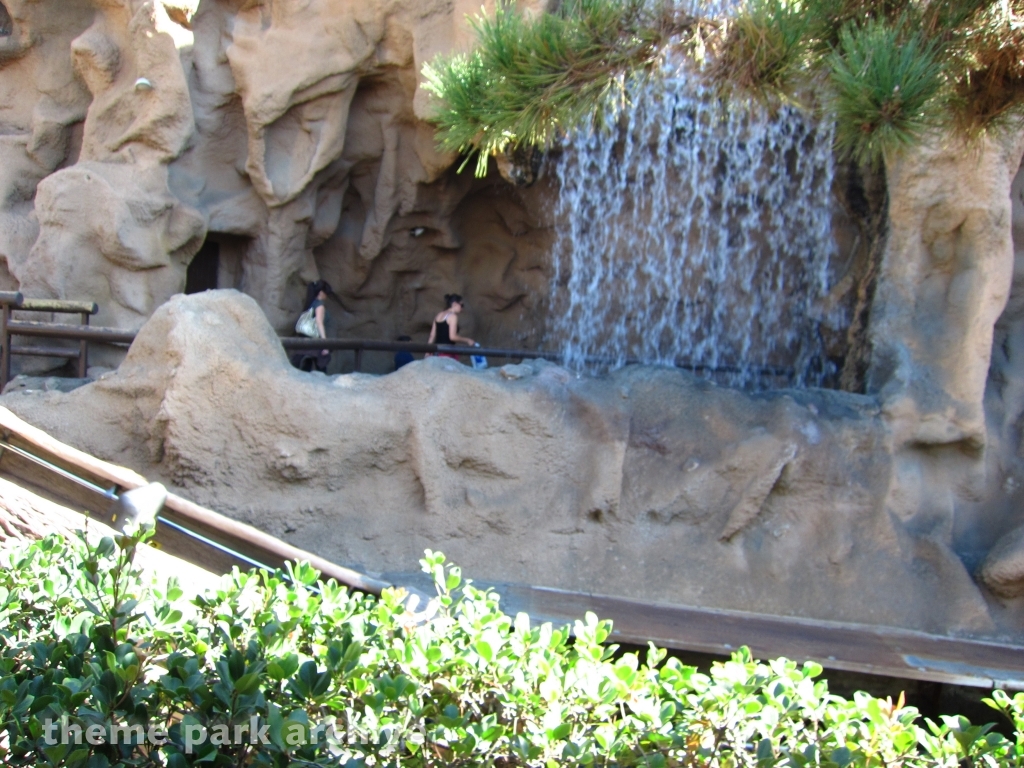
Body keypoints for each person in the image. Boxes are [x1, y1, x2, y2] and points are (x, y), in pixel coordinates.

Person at [292, 280, 332, 373]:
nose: (326, 296)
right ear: (321, 293)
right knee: (322, 363)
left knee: (305, 362)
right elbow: (319, 322)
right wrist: (324, 343)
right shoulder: (319, 305)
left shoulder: (310, 302)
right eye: (326, 294)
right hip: (314, 338)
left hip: (303, 338)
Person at [427, 294, 475, 359]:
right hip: (447, 352)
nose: (462, 308)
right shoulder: (453, 316)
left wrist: (427, 352)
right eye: (461, 305)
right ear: (455, 304)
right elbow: (452, 337)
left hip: (436, 351)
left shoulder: (438, 315)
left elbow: (432, 336)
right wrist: (467, 340)